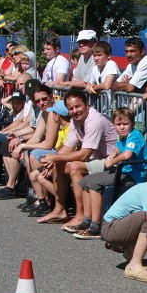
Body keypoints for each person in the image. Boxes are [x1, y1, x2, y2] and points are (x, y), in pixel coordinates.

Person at [38, 89, 117, 225]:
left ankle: (80, 216)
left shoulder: (94, 121)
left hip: (112, 162)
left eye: (78, 106)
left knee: (75, 166)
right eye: (71, 108)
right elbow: (67, 148)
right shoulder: (76, 121)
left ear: (87, 105)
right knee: (59, 165)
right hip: (96, 159)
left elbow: (84, 154)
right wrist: (53, 160)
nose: (75, 111)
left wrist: (55, 158)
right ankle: (60, 210)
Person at [72, 107, 147, 239]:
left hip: (135, 175)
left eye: (125, 124)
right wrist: (113, 154)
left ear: (132, 123)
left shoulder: (134, 136)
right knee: (85, 181)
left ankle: (96, 226)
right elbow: (118, 148)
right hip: (123, 171)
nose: (122, 127)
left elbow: (126, 155)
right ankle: (87, 219)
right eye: (118, 125)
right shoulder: (123, 137)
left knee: (94, 184)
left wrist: (112, 161)